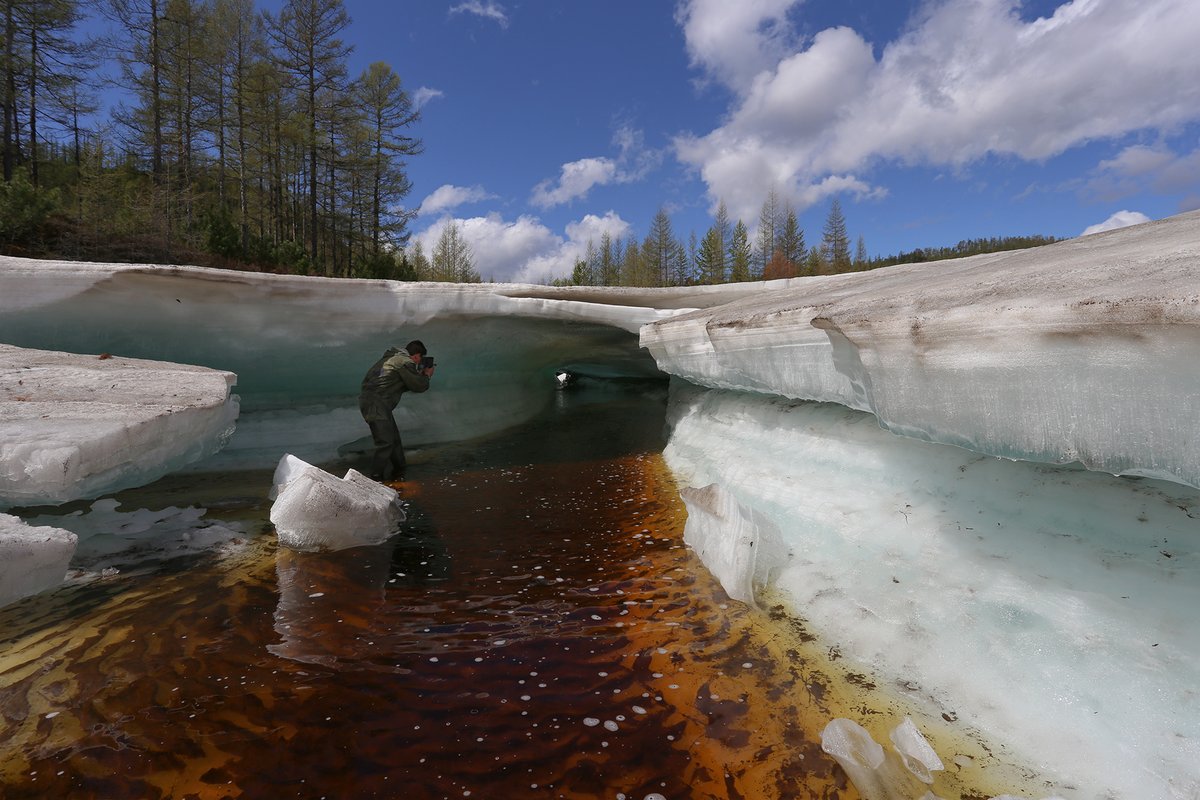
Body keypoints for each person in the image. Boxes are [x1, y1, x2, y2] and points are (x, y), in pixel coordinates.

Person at [358, 339, 434, 481]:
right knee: (385, 442)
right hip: (376, 404)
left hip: (374, 403)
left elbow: (397, 382)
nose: (418, 362)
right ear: (417, 355)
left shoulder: (391, 359)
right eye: (420, 359)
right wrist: (427, 375)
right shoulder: (403, 361)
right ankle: (375, 479)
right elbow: (418, 386)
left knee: (394, 440)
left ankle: (399, 471)